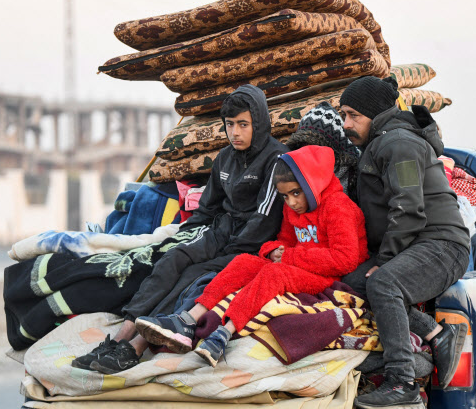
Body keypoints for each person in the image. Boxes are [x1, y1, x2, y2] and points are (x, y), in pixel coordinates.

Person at [74, 84, 288, 374]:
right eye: (229, 125)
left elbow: (264, 219)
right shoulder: (225, 157)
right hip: (220, 232)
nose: (235, 132)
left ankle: (135, 348)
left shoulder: (276, 159)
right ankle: (118, 339)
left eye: (243, 124)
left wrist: (226, 249)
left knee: (191, 277)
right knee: (172, 259)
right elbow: (207, 208)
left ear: (259, 123)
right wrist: (185, 237)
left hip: (249, 245)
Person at [134, 145, 368, 367]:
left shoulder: (338, 207)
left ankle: (224, 333)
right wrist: (273, 250)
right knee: (244, 261)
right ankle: (188, 320)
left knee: (274, 272)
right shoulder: (292, 208)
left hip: (328, 275)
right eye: (285, 196)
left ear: (313, 184)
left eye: (296, 193)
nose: (292, 202)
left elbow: (344, 259)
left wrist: (288, 258)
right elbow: (284, 241)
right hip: (298, 264)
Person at [338, 76, 471, 408]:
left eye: (353, 115)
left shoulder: (399, 144)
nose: (346, 124)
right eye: (343, 115)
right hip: (416, 243)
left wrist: (384, 261)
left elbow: (409, 209)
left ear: (373, 113)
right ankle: (437, 335)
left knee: (382, 282)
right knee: (351, 282)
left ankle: (402, 382)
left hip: (442, 244)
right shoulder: (380, 143)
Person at [286, 101, 361, 200]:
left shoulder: (353, 175)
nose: (308, 152)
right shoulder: (294, 173)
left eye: (315, 147)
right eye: (302, 145)